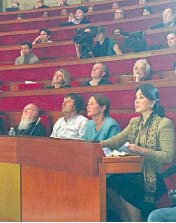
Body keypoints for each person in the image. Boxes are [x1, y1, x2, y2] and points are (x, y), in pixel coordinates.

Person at [101, 84, 175, 221]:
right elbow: (114, 141)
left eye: (141, 98)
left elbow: (168, 156)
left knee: (127, 186)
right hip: (135, 172)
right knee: (109, 182)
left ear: (152, 102)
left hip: (154, 177)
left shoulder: (164, 123)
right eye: (136, 98)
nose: (136, 101)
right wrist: (92, 145)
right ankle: (128, 219)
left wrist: (141, 150)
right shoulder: (134, 122)